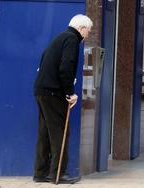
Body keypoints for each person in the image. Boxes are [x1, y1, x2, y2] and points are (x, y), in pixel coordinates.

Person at [33, 14, 93, 184]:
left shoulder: (59, 38)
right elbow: (65, 67)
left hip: (41, 91)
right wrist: (70, 93)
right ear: (81, 28)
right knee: (60, 133)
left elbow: (44, 59)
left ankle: (40, 172)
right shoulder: (72, 40)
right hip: (53, 93)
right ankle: (58, 174)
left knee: (45, 133)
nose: (87, 35)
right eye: (88, 31)